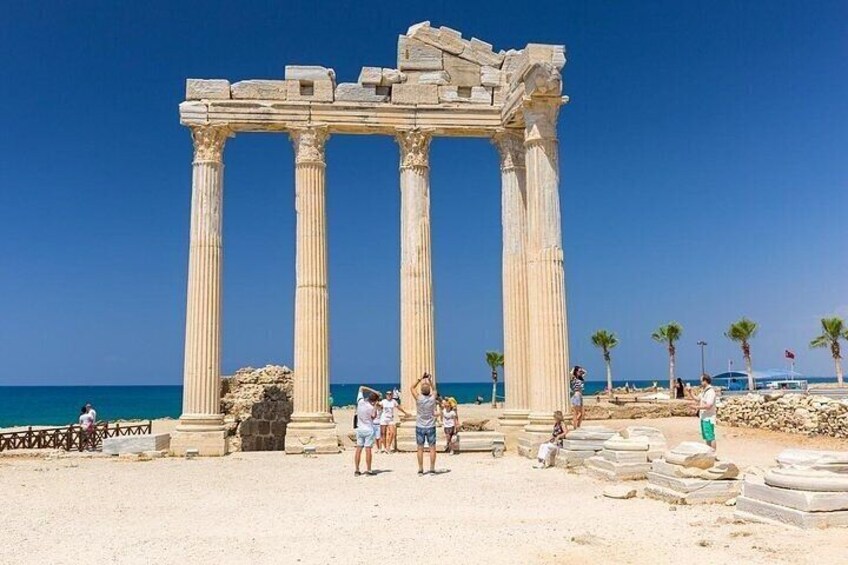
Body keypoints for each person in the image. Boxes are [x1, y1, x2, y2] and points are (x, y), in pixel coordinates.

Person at [411, 373, 438, 475]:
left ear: (421, 391)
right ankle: (432, 468)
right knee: (432, 448)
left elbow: (412, 387)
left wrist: (420, 379)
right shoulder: (432, 399)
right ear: (429, 391)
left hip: (420, 425)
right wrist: (430, 380)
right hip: (431, 425)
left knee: (420, 448)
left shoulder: (418, 398)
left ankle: (420, 469)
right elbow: (435, 389)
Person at [354, 386, 380, 476]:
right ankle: (368, 470)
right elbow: (373, 417)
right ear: (375, 400)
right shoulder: (371, 407)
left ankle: (357, 470)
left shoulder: (360, 402)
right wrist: (376, 407)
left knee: (358, 449)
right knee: (368, 450)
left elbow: (361, 387)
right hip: (368, 429)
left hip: (359, 428)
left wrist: (373, 390)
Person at [687, 374, 717, 449]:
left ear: (705, 381)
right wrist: (690, 392)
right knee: (707, 437)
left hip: (709, 418)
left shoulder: (710, 392)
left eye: (701, 381)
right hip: (704, 417)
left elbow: (709, 406)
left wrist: (696, 407)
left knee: (710, 437)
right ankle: (709, 453)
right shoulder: (704, 391)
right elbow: (697, 399)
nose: (700, 382)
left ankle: (713, 454)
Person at [379, 390, 407, 454]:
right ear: (386, 395)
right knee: (383, 433)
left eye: (390, 394)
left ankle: (388, 446)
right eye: (387, 394)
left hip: (390, 419)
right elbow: (378, 406)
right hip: (383, 418)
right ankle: (385, 447)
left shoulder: (393, 401)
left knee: (392, 432)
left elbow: (399, 407)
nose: (389, 395)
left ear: (392, 395)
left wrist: (405, 412)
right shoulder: (383, 401)